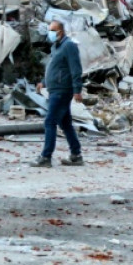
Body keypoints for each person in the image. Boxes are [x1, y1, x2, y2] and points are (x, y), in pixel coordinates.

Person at [31, 20, 84, 167]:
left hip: (62, 90)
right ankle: (76, 155)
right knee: (65, 123)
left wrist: (77, 90)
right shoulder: (56, 47)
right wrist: (44, 82)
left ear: (61, 31)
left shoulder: (69, 46)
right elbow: (54, 68)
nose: (50, 33)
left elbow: (76, 69)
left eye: (53, 30)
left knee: (50, 122)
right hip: (55, 89)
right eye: (50, 30)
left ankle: (46, 157)